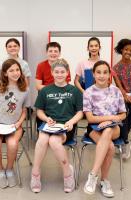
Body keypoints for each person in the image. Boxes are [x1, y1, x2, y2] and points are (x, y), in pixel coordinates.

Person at [30, 58, 83, 193]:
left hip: (66, 126)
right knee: (42, 139)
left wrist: (71, 122)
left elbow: (80, 112)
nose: (59, 74)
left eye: (62, 72)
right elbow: (39, 111)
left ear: (67, 73)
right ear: (52, 73)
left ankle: (67, 173)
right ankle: (35, 173)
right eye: (57, 72)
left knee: (54, 141)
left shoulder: (74, 91)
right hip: (49, 124)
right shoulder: (45, 90)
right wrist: (46, 118)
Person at [83, 60, 126, 198]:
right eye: (98, 72)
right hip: (94, 129)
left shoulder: (116, 91)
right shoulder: (88, 92)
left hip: (114, 128)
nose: (102, 75)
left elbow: (123, 114)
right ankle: (104, 181)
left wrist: (110, 120)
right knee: (111, 147)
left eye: (105, 72)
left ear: (109, 75)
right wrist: (108, 118)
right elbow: (90, 118)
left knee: (108, 130)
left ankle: (93, 174)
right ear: (93, 74)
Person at [0, 59, 30, 188]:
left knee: (12, 144)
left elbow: (24, 111)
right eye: (11, 70)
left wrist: (18, 123)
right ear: (5, 73)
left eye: (17, 70)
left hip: (14, 126)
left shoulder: (25, 90)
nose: (15, 73)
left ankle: (10, 170)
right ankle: (0, 171)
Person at [112, 38, 131, 159]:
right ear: (121, 50)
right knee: (123, 111)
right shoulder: (115, 68)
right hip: (122, 95)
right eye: (126, 49)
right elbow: (119, 86)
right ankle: (126, 142)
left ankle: (122, 138)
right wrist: (125, 95)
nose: (128, 52)